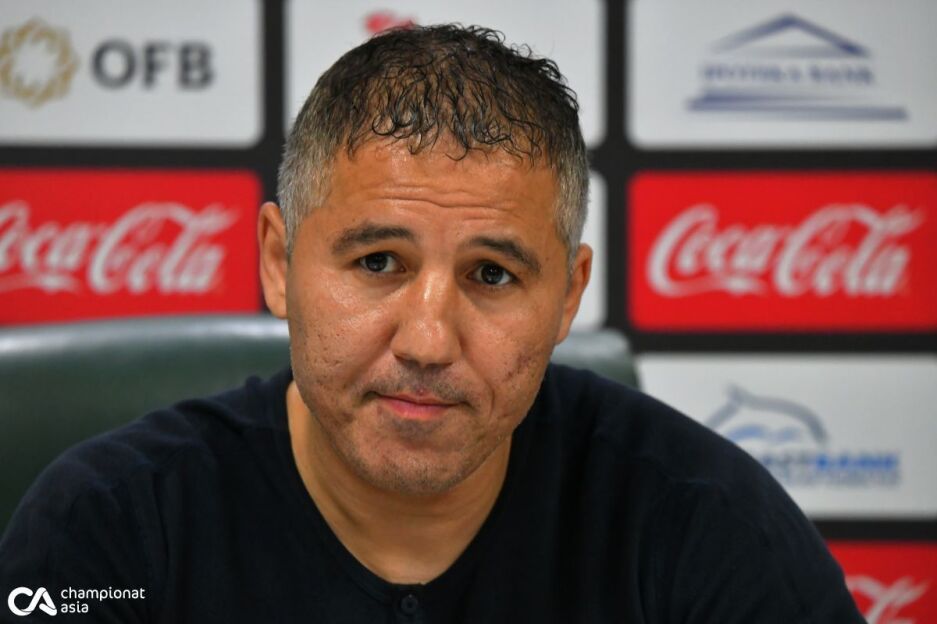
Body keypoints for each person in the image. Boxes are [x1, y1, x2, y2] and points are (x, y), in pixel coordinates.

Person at [0, 25, 864, 623]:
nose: (427, 341)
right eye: (378, 262)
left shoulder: (704, 523)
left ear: (567, 297)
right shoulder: (105, 529)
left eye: (492, 275)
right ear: (278, 262)